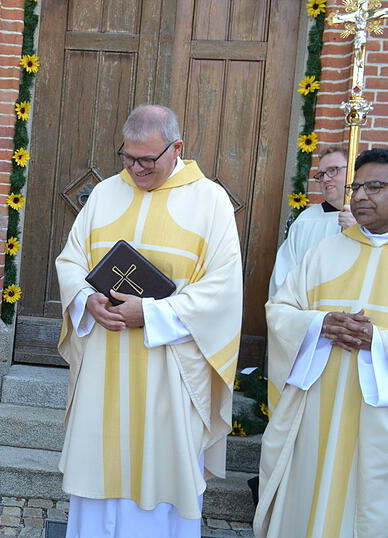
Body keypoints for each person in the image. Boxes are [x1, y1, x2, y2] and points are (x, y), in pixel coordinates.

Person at [54, 104, 243, 538]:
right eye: (128, 157)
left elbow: (223, 289)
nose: (135, 169)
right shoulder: (104, 194)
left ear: (176, 148)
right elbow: (71, 260)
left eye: (147, 160)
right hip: (104, 362)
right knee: (97, 472)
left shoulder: (210, 200)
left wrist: (153, 313)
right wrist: (87, 300)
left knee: (160, 479)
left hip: (168, 369)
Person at [255, 148, 388, 538]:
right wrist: (319, 324)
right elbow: (279, 310)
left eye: (375, 186)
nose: (360, 196)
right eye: (356, 186)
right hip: (315, 413)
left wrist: (377, 341)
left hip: (377, 425)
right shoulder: (324, 252)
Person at [268, 145, 356, 296]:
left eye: (333, 170)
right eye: (321, 174)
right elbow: (284, 277)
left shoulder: (374, 220)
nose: (326, 179)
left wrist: (359, 231)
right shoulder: (306, 221)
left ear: (353, 171)